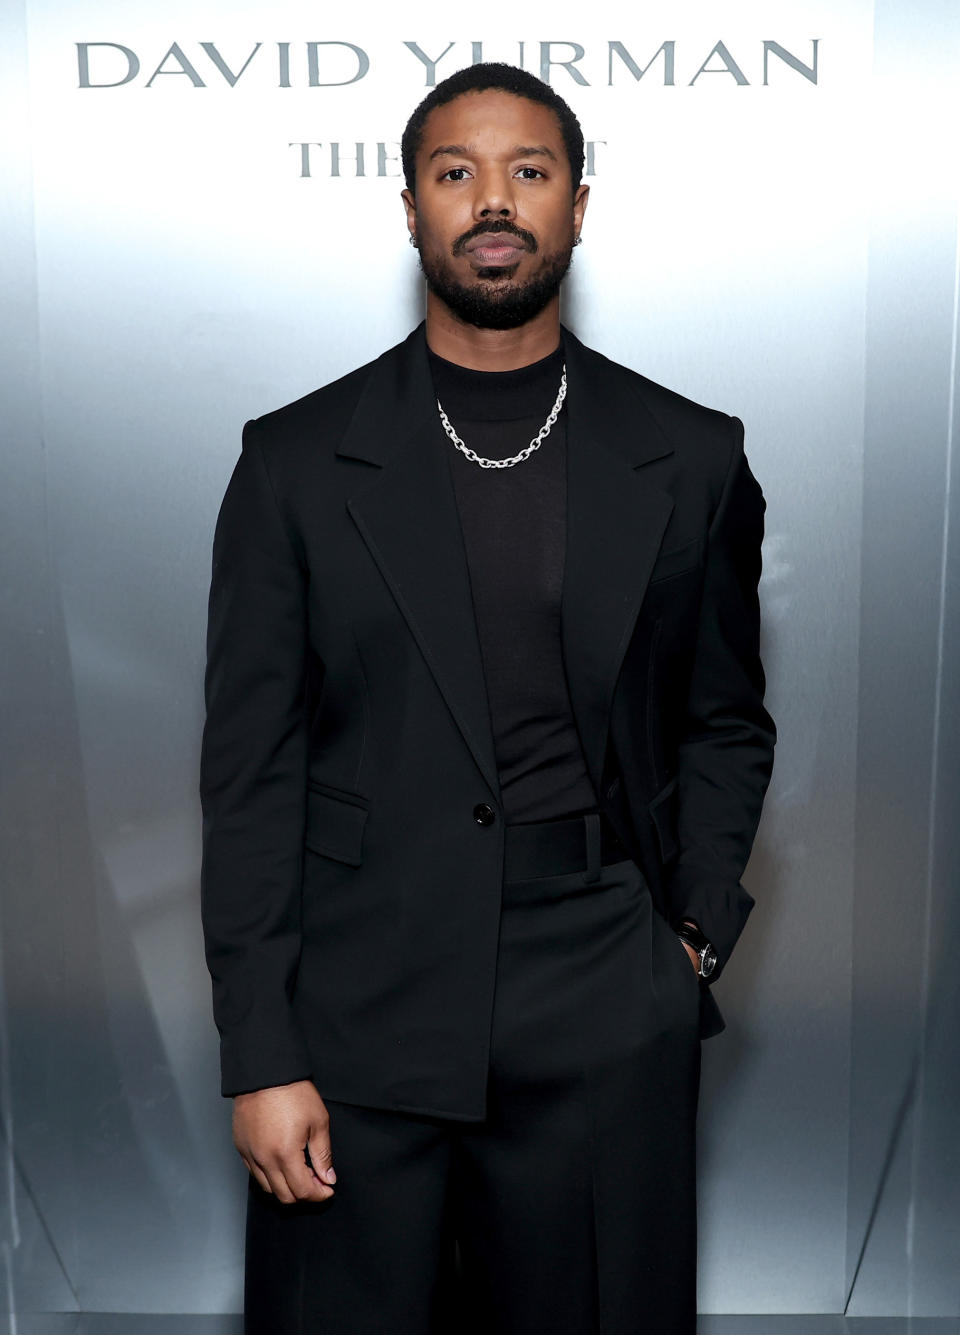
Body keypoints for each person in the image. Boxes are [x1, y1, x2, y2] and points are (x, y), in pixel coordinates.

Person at [199, 61, 776, 1335]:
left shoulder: (691, 455)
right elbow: (250, 779)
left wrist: (687, 940)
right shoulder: (293, 463)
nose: (493, 200)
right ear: (410, 208)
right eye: (456, 174)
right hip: (358, 1011)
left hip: (600, 1001)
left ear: (579, 204)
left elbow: (724, 719)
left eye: (529, 170)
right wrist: (263, 1053)